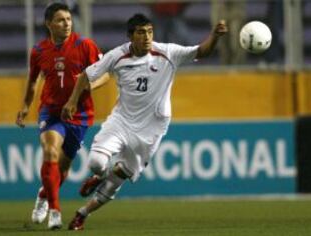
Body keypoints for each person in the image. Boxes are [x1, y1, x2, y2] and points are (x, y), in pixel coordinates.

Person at [62, 13, 227, 231]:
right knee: (96, 163)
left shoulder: (167, 53)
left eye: (150, 31)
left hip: (153, 127)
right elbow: (86, 75)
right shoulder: (117, 56)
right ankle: (98, 175)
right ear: (130, 36)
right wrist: (72, 101)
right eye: (141, 32)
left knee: (117, 181)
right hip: (121, 121)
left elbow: (201, 51)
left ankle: (82, 214)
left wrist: (214, 36)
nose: (147, 37)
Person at [15, 2, 109, 230]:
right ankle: (54, 212)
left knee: (63, 169)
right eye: (60, 20)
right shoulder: (38, 51)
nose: (66, 23)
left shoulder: (85, 45)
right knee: (50, 151)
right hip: (51, 111)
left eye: (68, 19)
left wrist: (86, 87)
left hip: (80, 115)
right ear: (49, 24)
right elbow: (32, 81)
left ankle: (43, 194)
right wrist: (27, 106)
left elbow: (105, 75)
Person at [210, 0, 246, 64]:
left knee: (236, 43)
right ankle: (225, 69)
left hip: (236, 7)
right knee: (223, 45)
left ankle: (238, 69)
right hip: (219, 7)